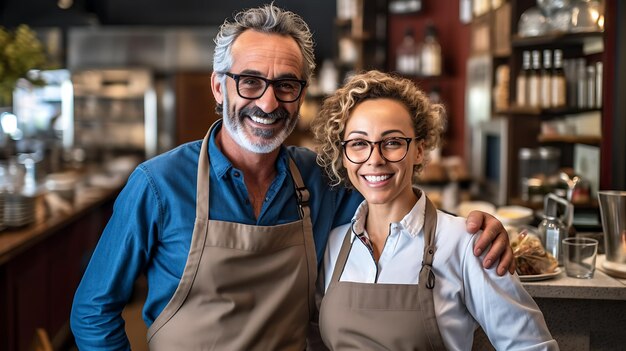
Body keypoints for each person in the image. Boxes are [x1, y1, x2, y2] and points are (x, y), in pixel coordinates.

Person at [70, 4, 514, 350]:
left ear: (301, 94)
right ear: (218, 87)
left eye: (286, 84)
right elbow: (93, 309)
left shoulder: (318, 179)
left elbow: (392, 198)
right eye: (249, 82)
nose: (268, 103)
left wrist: (473, 227)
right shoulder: (158, 185)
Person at [310, 70, 558, 350]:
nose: (374, 159)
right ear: (343, 156)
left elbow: (531, 346)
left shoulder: (467, 244)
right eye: (358, 144)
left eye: (392, 142)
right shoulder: (334, 244)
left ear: (419, 150)